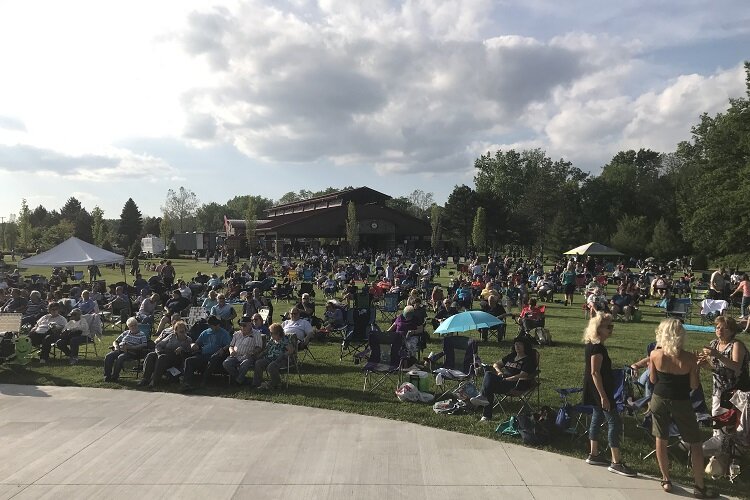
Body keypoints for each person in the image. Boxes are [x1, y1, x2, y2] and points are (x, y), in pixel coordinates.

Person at [649, 319, 717, 497]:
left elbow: (652, 380)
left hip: (659, 398)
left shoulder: (655, 355)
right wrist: (696, 369)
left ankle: (666, 479)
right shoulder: (690, 358)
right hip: (681, 400)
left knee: (660, 437)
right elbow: (694, 386)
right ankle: (699, 485)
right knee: (694, 442)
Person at [581, 312, 637, 477]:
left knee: (596, 417)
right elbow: (595, 372)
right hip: (600, 389)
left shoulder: (592, 344)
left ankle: (594, 453)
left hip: (594, 389)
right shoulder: (597, 348)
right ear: (599, 329)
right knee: (614, 422)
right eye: (608, 327)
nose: (611, 329)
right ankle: (616, 461)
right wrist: (604, 396)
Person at [698, 316, 750, 434]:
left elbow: (736, 367)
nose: (719, 330)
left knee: (737, 423)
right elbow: (714, 367)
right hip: (719, 389)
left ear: (732, 331)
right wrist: (703, 364)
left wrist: (718, 355)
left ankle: (732, 447)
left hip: (737, 390)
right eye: (717, 327)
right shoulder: (714, 344)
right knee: (718, 421)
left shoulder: (736, 345)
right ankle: (720, 445)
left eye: (724, 328)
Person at [470, 336, 537, 421]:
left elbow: (522, 375)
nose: (517, 346)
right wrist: (499, 372)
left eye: (520, 344)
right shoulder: (511, 356)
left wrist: (509, 379)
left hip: (516, 384)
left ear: (525, 346)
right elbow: (496, 364)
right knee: (489, 384)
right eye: (516, 344)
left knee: (489, 378)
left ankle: (484, 407)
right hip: (504, 381)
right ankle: (486, 414)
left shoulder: (528, 360)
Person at [180, 315, 231, 392]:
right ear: (210, 325)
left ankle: (204, 381)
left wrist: (223, 349)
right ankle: (186, 383)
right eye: (214, 325)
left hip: (217, 356)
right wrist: (193, 345)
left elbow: (229, 344)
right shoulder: (205, 332)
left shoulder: (224, 333)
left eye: (217, 324)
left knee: (213, 358)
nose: (217, 326)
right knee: (189, 360)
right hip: (204, 355)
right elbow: (197, 343)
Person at [137, 320, 192, 388]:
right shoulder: (171, 336)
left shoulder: (188, 340)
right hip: (165, 353)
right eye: (180, 330)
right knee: (151, 355)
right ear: (176, 331)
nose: (182, 332)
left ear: (185, 330)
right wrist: (158, 352)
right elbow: (158, 345)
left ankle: (154, 381)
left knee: (162, 357)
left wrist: (182, 349)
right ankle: (145, 379)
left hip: (176, 358)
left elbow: (189, 351)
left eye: (183, 330)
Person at [223, 315, 264, 385]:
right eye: (241, 325)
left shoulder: (256, 334)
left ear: (250, 324)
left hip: (248, 356)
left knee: (245, 363)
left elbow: (259, 347)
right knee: (226, 363)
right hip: (235, 355)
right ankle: (242, 380)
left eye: (244, 325)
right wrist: (231, 351)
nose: (242, 327)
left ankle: (238, 381)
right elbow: (231, 346)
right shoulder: (236, 334)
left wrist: (252, 352)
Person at [103, 317, 148, 382]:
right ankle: (107, 376)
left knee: (120, 357)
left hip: (131, 352)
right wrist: (116, 347)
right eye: (131, 326)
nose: (134, 327)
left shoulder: (141, 334)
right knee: (108, 356)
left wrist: (132, 347)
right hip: (119, 349)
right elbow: (115, 341)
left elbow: (144, 344)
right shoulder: (126, 333)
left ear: (137, 325)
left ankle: (115, 376)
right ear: (128, 327)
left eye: (135, 325)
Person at [252, 322, 293, 390]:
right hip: (269, 358)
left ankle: (276, 383)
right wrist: (260, 355)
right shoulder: (272, 340)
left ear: (278, 333)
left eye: (271, 333)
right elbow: (267, 350)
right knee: (258, 363)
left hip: (281, 360)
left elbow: (291, 350)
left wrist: (283, 355)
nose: (270, 334)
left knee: (271, 366)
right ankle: (256, 383)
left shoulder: (284, 340)